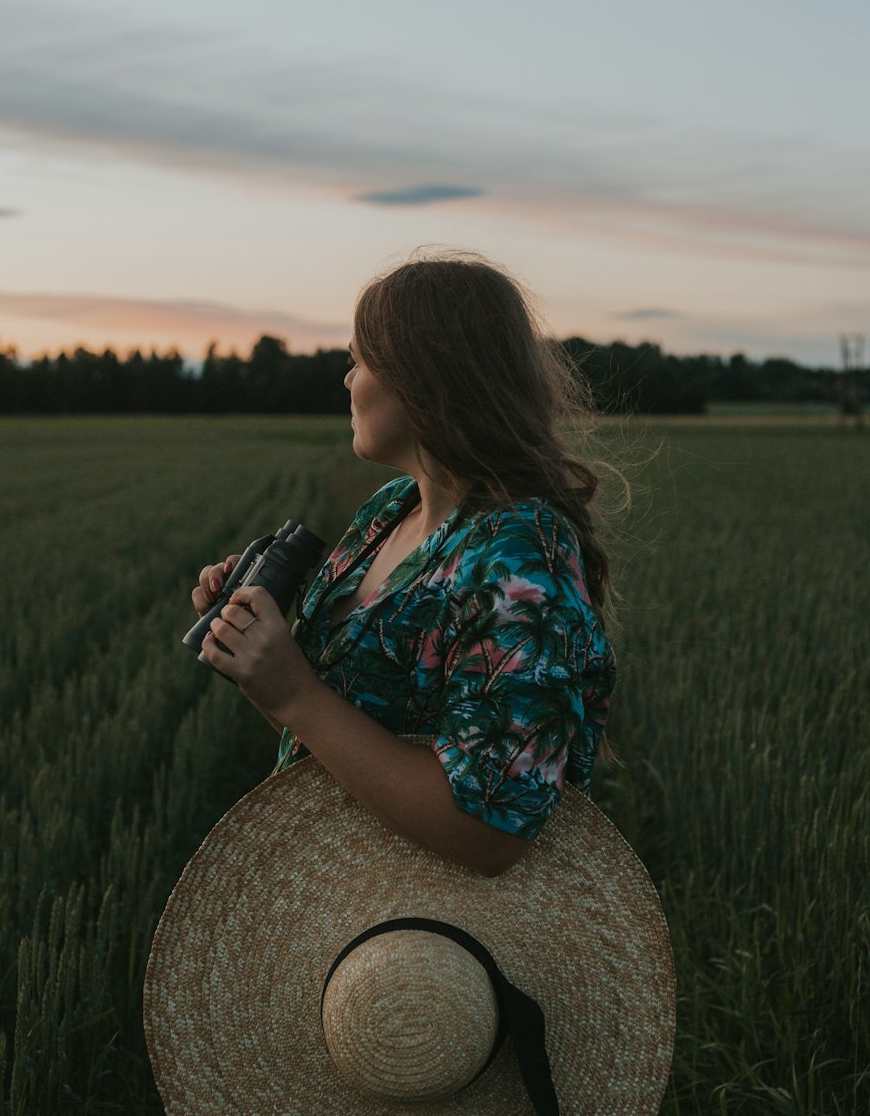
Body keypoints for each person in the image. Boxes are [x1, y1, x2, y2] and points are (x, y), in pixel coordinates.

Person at [190, 250, 616, 879]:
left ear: (421, 379)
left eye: (358, 360)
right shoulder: (391, 512)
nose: (347, 380)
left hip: (437, 924)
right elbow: (332, 733)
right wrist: (258, 657)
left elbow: (491, 830)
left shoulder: (522, 557)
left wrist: (296, 693)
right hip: (346, 890)